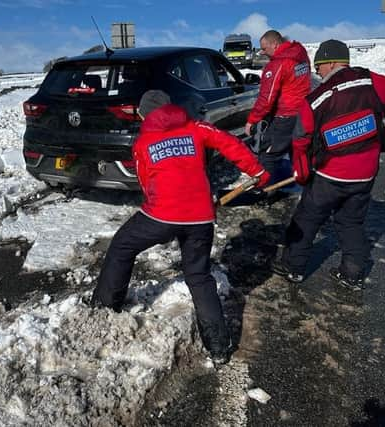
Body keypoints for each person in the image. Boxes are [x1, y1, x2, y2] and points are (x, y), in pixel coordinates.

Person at [92, 90, 270, 364]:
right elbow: (229, 143)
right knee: (198, 276)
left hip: (160, 215)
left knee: (122, 246)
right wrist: (256, 171)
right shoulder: (196, 127)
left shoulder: (144, 141)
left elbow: (145, 181)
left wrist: (162, 216)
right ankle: (219, 348)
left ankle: (104, 306)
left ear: (144, 114)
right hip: (200, 217)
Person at [272, 39, 385, 290]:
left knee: (307, 219)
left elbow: (300, 139)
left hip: (328, 176)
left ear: (330, 63)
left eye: (318, 67)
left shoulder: (317, 99)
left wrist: (301, 169)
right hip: (364, 175)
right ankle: (352, 274)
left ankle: (293, 267)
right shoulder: (373, 82)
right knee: (351, 223)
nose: (317, 73)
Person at [244, 30, 311, 184]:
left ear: (275, 45)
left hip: (285, 116)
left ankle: (264, 190)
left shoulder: (277, 64)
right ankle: (302, 178)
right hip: (303, 112)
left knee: (268, 154)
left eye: (265, 49)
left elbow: (266, 99)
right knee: (297, 149)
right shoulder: (300, 55)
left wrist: (252, 120)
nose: (263, 52)